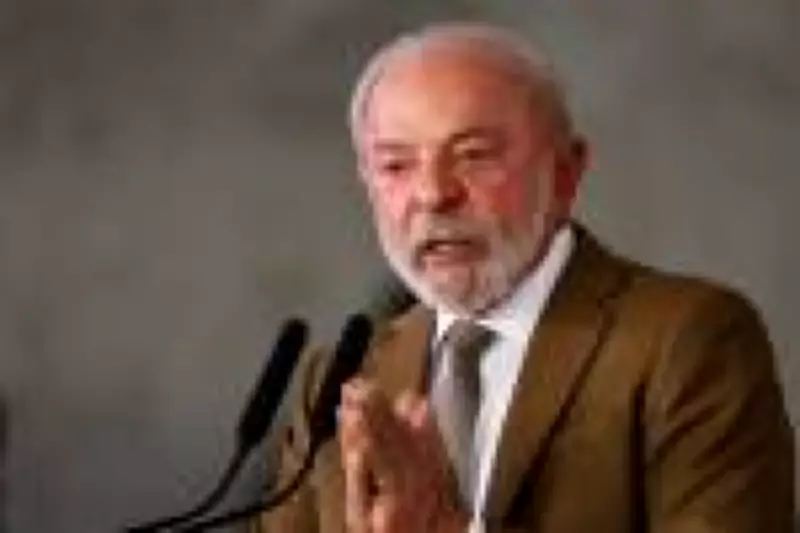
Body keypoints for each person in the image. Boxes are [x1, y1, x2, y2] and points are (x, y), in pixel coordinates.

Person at [256, 22, 794, 533]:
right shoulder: (337, 378)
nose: (433, 194)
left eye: (473, 156)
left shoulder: (685, 339)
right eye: (396, 166)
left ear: (565, 173)